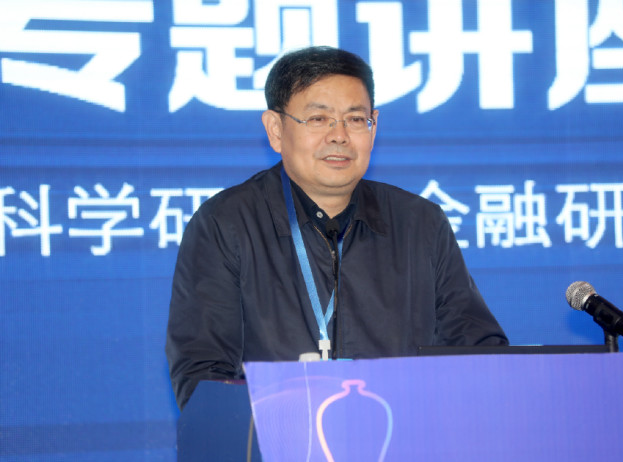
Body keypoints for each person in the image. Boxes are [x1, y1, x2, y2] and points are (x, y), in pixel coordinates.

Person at [166, 46, 508, 409]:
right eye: (318, 119)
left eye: (355, 119)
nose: (339, 135)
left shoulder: (420, 223)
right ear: (276, 130)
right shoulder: (227, 224)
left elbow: (477, 352)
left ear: (374, 126)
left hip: (401, 431)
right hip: (280, 436)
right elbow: (203, 376)